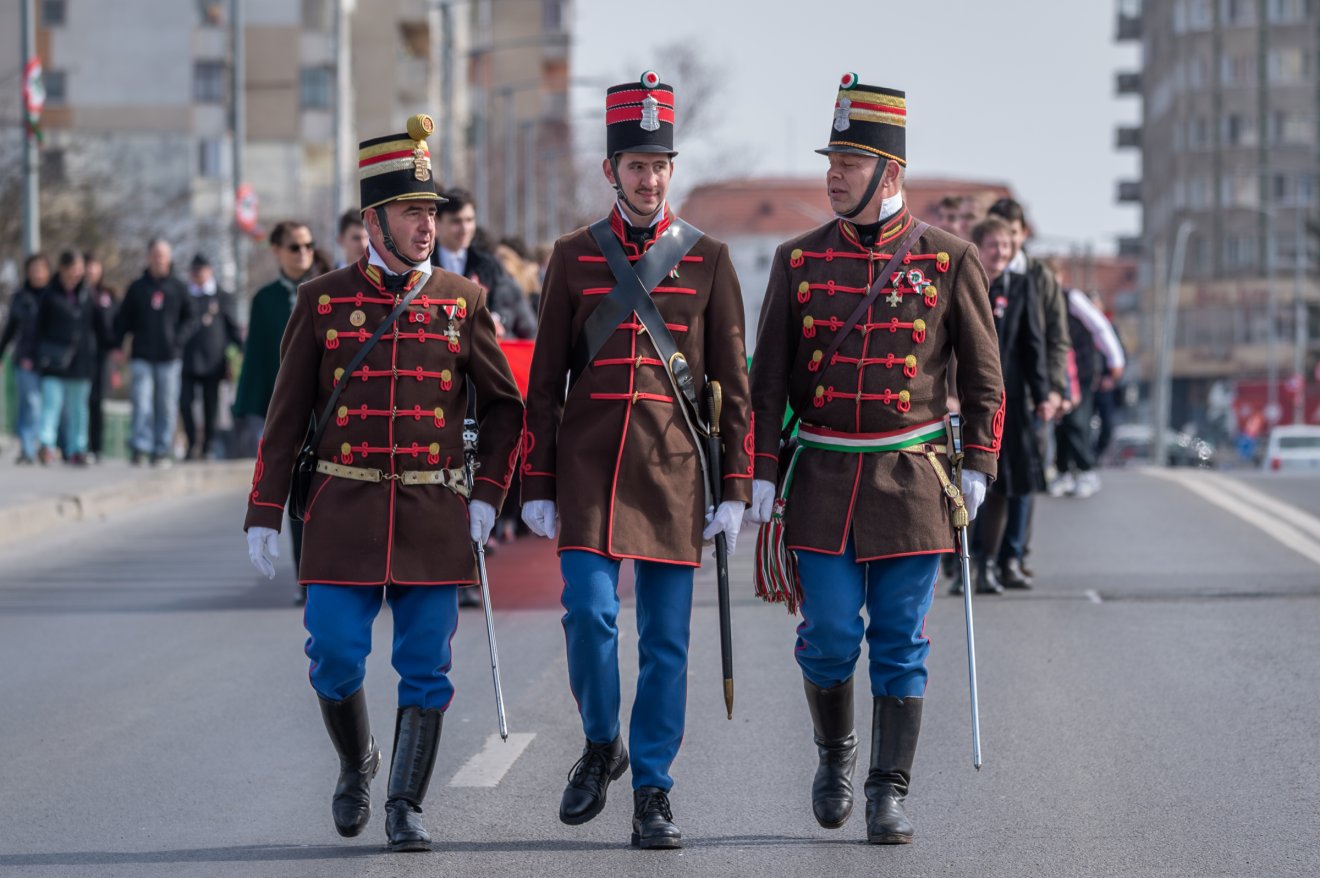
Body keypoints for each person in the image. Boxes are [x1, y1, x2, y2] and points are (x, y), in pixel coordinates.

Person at [243, 114, 523, 853]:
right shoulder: (322, 300)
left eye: (431, 212)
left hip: (434, 510)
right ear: (374, 221)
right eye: (410, 212)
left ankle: (404, 803)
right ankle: (355, 761)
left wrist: (489, 496)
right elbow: (286, 415)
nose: (426, 225)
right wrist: (265, 512)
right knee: (333, 655)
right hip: (344, 508)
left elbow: (504, 407)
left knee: (426, 667)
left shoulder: (463, 299)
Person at [745, 75, 1004, 846]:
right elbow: (767, 384)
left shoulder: (948, 259)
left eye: (850, 163)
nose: (833, 174)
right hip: (822, 475)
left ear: (890, 175)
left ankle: (890, 788)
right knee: (827, 632)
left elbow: (985, 377)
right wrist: (760, 469)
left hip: (912, 480)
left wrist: (981, 464)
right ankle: (835, 752)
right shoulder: (796, 261)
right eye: (831, 160)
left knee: (901, 636)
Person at [521, 71, 752, 850]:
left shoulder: (710, 258)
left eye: (659, 165)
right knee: (587, 614)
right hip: (587, 469)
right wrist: (539, 481)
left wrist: (735, 487)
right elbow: (544, 379)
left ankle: (652, 787)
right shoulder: (571, 256)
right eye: (634, 165)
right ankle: (600, 742)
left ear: (670, 170)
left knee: (666, 641)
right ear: (610, 171)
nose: (648, 179)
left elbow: (733, 383)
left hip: (673, 474)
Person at [960, 217, 1049, 594]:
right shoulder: (963, 278)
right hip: (963, 397)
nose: (1001, 253)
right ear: (979, 245)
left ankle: (988, 564)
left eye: (1007, 247)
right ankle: (956, 562)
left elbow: (1034, 345)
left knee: (1000, 483)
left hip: (1008, 402)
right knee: (960, 483)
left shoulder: (1022, 287)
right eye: (994, 245)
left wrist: (1043, 395)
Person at [233, 220, 320, 599]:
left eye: (308, 245)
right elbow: (257, 359)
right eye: (294, 247)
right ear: (277, 251)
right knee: (298, 491)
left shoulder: (328, 289)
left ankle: (339, 572)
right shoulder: (266, 300)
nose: (303, 253)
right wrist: (251, 405)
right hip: (288, 410)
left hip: (327, 409)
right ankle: (306, 574)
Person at [985, 198, 1067, 588]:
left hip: (1023, 394)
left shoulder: (1035, 278)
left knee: (1023, 477)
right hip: (984, 395)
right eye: (999, 239)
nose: (1006, 246)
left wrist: (1051, 390)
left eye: (1012, 236)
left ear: (1021, 235)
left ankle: (1013, 556)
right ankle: (981, 560)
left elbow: (1050, 339)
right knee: (987, 479)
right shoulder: (976, 272)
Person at [114, 239, 194, 466]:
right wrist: (118, 344)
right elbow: (123, 319)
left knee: (167, 404)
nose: (158, 259)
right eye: (155, 255)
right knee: (141, 401)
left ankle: (161, 448)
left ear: (168, 258)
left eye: (162, 255)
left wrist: (178, 341)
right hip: (142, 355)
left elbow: (190, 318)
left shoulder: (178, 287)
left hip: (170, 357)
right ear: (149, 257)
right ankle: (140, 446)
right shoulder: (137, 287)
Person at [27, 251, 110, 466]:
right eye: (74, 268)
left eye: (80, 268)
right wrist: (33, 355)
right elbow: (37, 328)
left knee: (78, 408)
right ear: (63, 268)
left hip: (81, 361)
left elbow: (100, 328)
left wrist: (112, 346)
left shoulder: (88, 295)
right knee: (51, 405)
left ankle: (77, 448)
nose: (78, 273)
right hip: (53, 359)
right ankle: (46, 445)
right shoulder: (50, 295)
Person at [1051, 279, 1125, 498]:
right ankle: (1063, 471)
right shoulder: (1038, 299)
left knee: (1077, 421)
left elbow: (1100, 327)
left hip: (1080, 372)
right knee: (1062, 424)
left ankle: (1087, 471)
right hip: (1056, 372)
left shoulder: (1071, 298)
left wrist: (1115, 361)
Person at [433, 188, 537, 339]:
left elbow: (507, 305)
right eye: (456, 221)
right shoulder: (424, 263)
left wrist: (497, 319)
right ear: (438, 222)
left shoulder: (488, 265)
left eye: (469, 220)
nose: (465, 228)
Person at [180, 254, 242, 460]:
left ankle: (207, 445)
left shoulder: (222, 296)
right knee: (185, 402)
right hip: (187, 360)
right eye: (194, 271)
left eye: (201, 270)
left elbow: (232, 327)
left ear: (210, 271)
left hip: (213, 361)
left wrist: (240, 351)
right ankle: (191, 443)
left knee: (210, 405)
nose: (198, 275)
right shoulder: (185, 295)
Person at [0, 254, 50, 464]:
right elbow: (10, 327)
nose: (37, 273)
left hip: (51, 360)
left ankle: (44, 445)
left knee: (46, 406)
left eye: (41, 269)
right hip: (25, 358)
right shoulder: (20, 297)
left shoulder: (54, 295)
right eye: (33, 269)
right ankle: (28, 447)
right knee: (30, 402)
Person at [83, 254, 118, 462]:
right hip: (80, 356)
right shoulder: (77, 293)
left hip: (102, 356)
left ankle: (97, 447)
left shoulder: (108, 295)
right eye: (87, 267)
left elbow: (116, 323)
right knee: (81, 402)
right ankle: (80, 445)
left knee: (98, 402)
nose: (90, 271)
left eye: (94, 267)